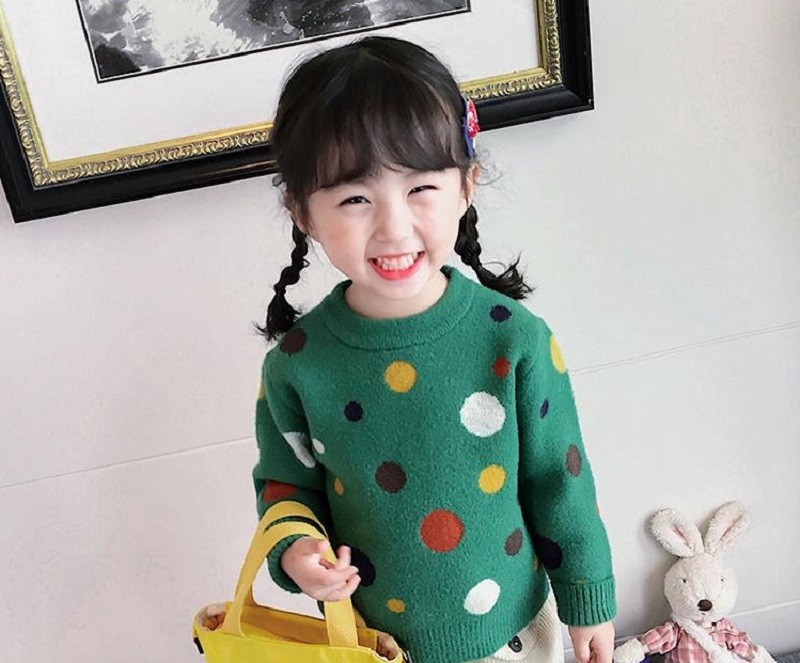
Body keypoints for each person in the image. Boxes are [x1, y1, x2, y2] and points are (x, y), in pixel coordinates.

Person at [252, 35, 616, 663]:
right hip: (373, 646)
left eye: (420, 188)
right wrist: (296, 553)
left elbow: (561, 481)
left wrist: (588, 598)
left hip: (513, 635)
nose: (393, 227)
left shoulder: (513, 339)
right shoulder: (297, 365)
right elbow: (286, 486)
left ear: (466, 185)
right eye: (355, 198)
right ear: (303, 212)